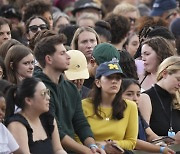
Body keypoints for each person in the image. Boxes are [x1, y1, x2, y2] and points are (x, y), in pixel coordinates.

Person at [33, 34, 105, 154]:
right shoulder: (38, 88)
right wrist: (87, 151)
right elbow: (54, 129)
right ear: (49, 59)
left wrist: (92, 145)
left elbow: (80, 122)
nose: (68, 57)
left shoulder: (70, 88)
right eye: (62, 53)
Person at [82, 59, 138, 152]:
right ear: (98, 82)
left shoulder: (130, 106)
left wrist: (110, 145)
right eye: (109, 77)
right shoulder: (84, 105)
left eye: (118, 78)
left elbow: (132, 142)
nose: (114, 81)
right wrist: (98, 147)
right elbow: (77, 138)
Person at [5, 77, 67, 154]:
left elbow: (58, 149)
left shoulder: (48, 119)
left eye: (48, 92)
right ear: (28, 100)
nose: (48, 97)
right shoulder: (16, 125)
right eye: (43, 93)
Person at [121, 78, 175, 154]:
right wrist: (159, 149)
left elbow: (150, 135)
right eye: (129, 94)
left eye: (138, 94)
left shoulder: (137, 114)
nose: (135, 98)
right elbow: (133, 141)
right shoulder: (117, 116)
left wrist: (165, 141)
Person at [139, 56, 180, 137]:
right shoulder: (146, 97)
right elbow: (145, 132)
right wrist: (170, 142)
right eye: (178, 79)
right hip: (158, 148)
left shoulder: (177, 99)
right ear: (164, 73)